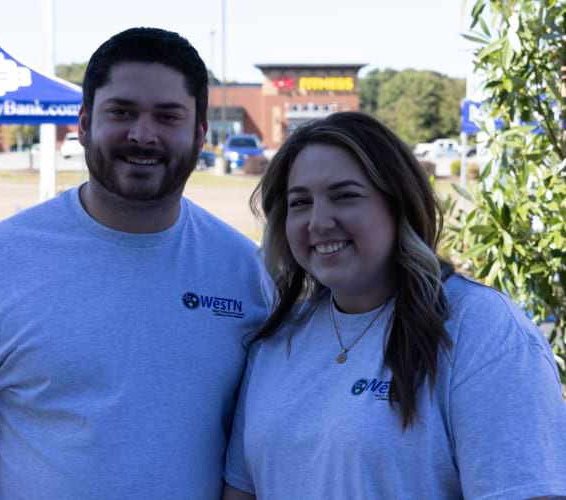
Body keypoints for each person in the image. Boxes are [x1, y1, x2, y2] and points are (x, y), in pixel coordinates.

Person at [0, 27, 271, 500]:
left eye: (168, 116)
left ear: (200, 134)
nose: (143, 134)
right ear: (82, 123)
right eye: (121, 112)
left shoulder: (246, 272)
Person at [223, 112, 566, 499]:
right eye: (300, 202)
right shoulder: (277, 341)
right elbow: (242, 491)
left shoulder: (480, 329)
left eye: (345, 196)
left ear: (398, 203)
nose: (318, 222)